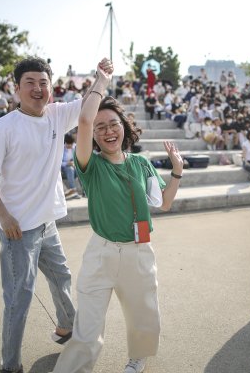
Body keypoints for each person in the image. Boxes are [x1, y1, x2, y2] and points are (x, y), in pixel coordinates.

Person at [0, 56, 109, 373]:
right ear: (17, 88)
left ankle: (67, 328)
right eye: (30, 83)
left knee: (62, 277)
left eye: (43, 82)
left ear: (51, 86)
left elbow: (88, 104)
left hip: (47, 222)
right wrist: (4, 217)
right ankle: (10, 365)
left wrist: (101, 78)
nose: (38, 88)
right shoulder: (2, 127)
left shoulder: (56, 115)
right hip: (18, 229)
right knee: (18, 301)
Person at [52, 85, 183, 373]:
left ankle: (139, 357)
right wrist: (100, 83)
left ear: (124, 127)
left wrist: (177, 171)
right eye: (101, 128)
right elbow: (84, 122)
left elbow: (165, 203)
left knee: (143, 314)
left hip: (139, 252)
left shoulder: (141, 164)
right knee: (87, 326)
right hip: (101, 253)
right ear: (94, 136)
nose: (108, 131)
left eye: (113, 124)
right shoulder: (90, 165)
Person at [61, 134, 80, 200]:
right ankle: (73, 190)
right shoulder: (61, 149)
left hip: (75, 168)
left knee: (81, 170)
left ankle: (85, 191)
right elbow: (59, 163)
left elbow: (80, 159)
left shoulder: (76, 147)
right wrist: (67, 163)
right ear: (65, 143)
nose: (69, 146)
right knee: (70, 169)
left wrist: (74, 163)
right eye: (67, 144)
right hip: (64, 169)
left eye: (71, 144)